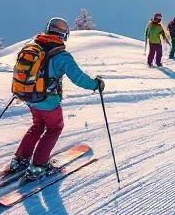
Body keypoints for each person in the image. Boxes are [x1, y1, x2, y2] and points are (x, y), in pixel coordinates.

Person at [9, 17, 105, 180]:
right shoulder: (62, 56)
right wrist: (96, 84)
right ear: (63, 36)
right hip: (48, 100)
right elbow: (78, 78)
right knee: (54, 128)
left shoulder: (32, 47)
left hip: (29, 96)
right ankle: (38, 166)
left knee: (37, 126)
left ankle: (19, 160)